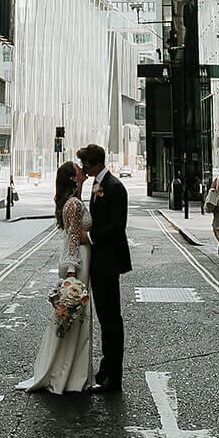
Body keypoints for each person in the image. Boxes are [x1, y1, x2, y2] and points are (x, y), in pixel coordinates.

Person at [17, 162, 94, 394]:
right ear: (73, 178)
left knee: (78, 318)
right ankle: (64, 375)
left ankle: (74, 372)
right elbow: (72, 237)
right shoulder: (72, 204)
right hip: (77, 262)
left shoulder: (74, 200)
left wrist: (84, 188)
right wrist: (71, 273)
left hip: (81, 260)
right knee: (73, 315)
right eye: (79, 170)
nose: (84, 170)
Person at [77, 142, 131, 392]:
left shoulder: (114, 186)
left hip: (109, 263)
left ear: (96, 163)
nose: (82, 167)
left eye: (85, 163)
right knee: (105, 319)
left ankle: (114, 378)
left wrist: (91, 237)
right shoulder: (99, 184)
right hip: (101, 262)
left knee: (110, 321)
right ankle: (106, 371)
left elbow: (117, 225)